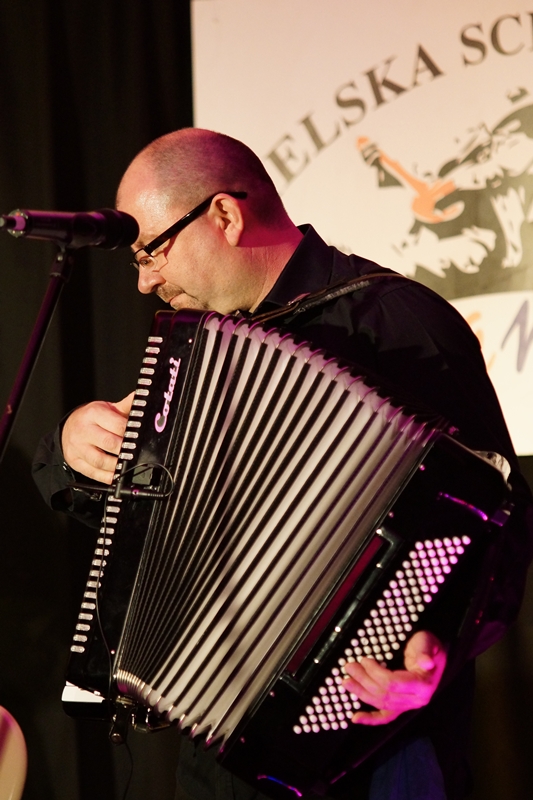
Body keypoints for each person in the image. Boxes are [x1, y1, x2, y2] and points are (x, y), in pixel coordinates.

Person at [33, 129, 533, 800]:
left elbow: (502, 528)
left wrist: (440, 651)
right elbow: (136, 514)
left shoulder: (399, 324)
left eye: (152, 250)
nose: (145, 279)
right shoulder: (197, 352)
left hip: (376, 747)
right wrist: (69, 448)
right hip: (217, 740)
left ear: (224, 215)